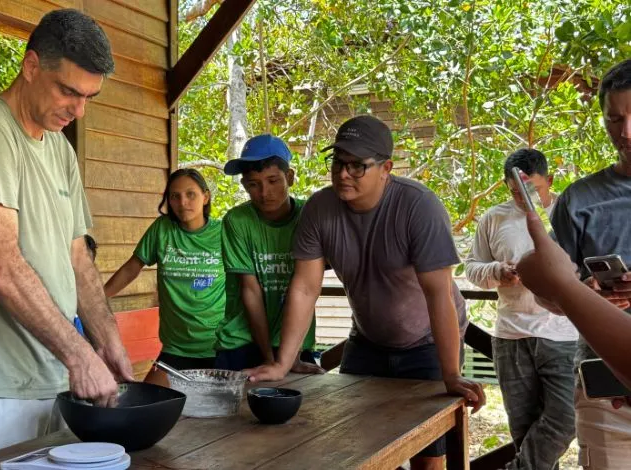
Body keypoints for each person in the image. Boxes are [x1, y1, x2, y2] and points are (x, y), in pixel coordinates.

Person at [0, 10, 133, 467]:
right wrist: (80, 354)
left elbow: (77, 258)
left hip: (50, 380)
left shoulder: (60, 149)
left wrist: (107, 338)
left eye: (89, 97)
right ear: (31, 66)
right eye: (69, 91)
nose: (78, 110)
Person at [245, 115, 486, 470]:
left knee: (429, 455)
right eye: (339, 162)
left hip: (426, 343)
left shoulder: (420, 206)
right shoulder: (320, 209)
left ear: (386, 168)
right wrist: (282, 363)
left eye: (358, 166)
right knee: (353, 442)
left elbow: (439, 295)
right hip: (366, 341)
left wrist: (450, 373)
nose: (344, 173)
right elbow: (305, 287)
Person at [465, 149, 577, 470]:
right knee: (524, 430)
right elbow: (472, 268)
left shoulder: (568, 215)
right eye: (516, 192)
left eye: (533, 190)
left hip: (562, 335)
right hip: (511, 337)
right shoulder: (493, 218)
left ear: (549, 181)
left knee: (566, 418)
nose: (524, 199)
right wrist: (498, 271)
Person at [546, 58, 631, 470]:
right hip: (607, 394)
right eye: (615, 119)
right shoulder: (579, 201)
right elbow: (551, 295)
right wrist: (581, 296)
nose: (626, 132)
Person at [213, 134, 323, 374]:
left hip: (294, 344)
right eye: (254, 184)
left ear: (290, 177)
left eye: (273, 180)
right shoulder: (237, 221)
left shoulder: (311, 216)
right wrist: (271, 360)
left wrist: (285, 357)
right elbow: (250, 291)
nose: (265, 192)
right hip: (241, 343)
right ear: (244, 186)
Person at [104, 169, 225, 372]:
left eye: (190, 194)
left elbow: (246, 282)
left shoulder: (224, 232)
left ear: (206, 197)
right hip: (176, 348)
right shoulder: (162, 229)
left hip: (220, 346)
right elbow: (131, 269)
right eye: (174, 196)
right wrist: (97, 300)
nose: (182, 202)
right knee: (152, 400)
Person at [518, 211, 631, 394]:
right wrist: (583, 294)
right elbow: (545, 295)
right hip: (603, 381)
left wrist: (565, 288)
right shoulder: (577, 199)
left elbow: (554, 280)